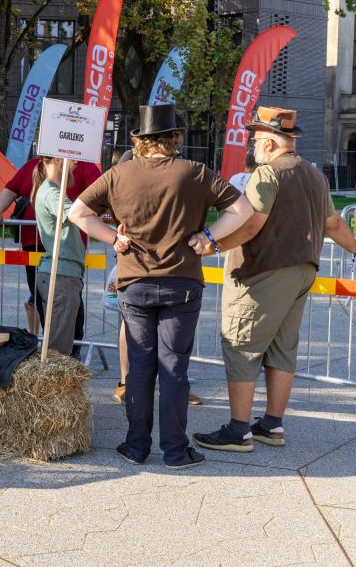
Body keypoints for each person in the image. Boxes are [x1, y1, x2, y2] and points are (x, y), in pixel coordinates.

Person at [68, 103, 254, 470]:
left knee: (138, 368)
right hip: (182, 281)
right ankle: (175, 450)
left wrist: (112, 239)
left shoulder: (118, 174)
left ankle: (135, 446)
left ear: (139, 140)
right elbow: (243, 210)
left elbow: (77, 212)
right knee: (173, 368)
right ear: (174, 138)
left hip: (134, 281)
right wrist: (208, 238)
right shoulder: (195, 172)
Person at [192, 106, 356, 453]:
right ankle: (272, 425)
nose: (251, 144)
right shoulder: (314, 174)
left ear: (267, 142)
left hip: (263, 271)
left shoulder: (266, 175)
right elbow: (334, 223)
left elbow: (251, 224)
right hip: (302, 270)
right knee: (282, 347)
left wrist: (211, 244)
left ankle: (238, 430)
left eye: (254, 138)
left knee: (242, 344)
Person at [108, 150, 203, 407]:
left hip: (160, 274)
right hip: (136, 269)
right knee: (136, 337)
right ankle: (127, 383)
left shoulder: (180, 169)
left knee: (164, 352)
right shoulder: (127, 166)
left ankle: (148, 399)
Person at [0, 155, 100, 341]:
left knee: (69, 301)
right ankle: (56, 345)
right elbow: (11, 188)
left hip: (66, 248)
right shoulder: (36, 167)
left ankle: (71, 345)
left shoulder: (82, 165)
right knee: (41, 297)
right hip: (36, 244)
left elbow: (99, 190)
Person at [32, 156, 129, 356]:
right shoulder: (51, 192)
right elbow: (79, 215)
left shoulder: (52, 190)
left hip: (62, 274)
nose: (76, 164)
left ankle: (57, 383)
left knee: (61, 344)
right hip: (60, 275)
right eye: (73, 159)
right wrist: (115, 238)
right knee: (58, 350)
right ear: (59, 160)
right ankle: (55, 387)